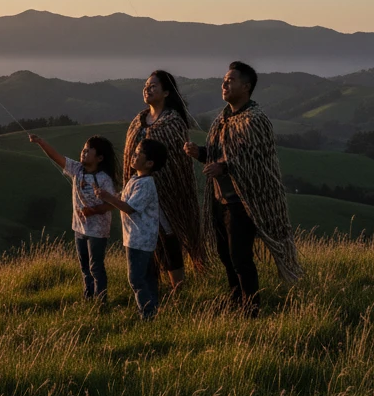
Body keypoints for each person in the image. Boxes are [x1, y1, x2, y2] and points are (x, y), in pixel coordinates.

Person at [184, 61, 303, 316]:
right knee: (226, 255)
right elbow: (219, 154)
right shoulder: (221, 120)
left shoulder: (256, 121)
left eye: (231, 80)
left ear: (246, 87)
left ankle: (251, 309)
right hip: (220, 199)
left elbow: (256, 160)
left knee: (240, 257)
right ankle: (236, 300)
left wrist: (224, 168)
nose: (224, 84)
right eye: (224, 80)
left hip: (244, 202)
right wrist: (200, 153)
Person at [123, 70, 205, 291]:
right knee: (146, 237)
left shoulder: (173, 122)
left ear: (166, 92)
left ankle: (177, 286)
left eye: (153, 86)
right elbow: (129, 156)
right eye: (146, 86)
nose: (147, 89)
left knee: (169, 236)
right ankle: (151, 284)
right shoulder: (137, 122)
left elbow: (178, 163)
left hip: (166, 193)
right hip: (140, 189)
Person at [28, 133, 120, 302]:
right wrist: (41, 142)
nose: (83, 153)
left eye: (88, 151)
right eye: (83, 150)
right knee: (85, 266)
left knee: (96, 267)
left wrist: (94, 210)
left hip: (97, 231)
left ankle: (101, 300)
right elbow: (57, 157)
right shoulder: (77, 169)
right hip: (79, 228)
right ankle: (88, 296)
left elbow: (113, 203)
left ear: (100, 158)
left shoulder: (104, 179)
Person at [96, 138, 167, 319]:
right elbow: (124, 199)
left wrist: (108, 197)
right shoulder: (136, 179)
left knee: (136, 279)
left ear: (149, 163)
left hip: (140, 239)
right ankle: (153, 309)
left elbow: (129, 208)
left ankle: (147, 313)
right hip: (136, 238)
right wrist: (109, 199)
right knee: (147, 276)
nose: (133, 156)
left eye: (137, 155)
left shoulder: (146, 184)